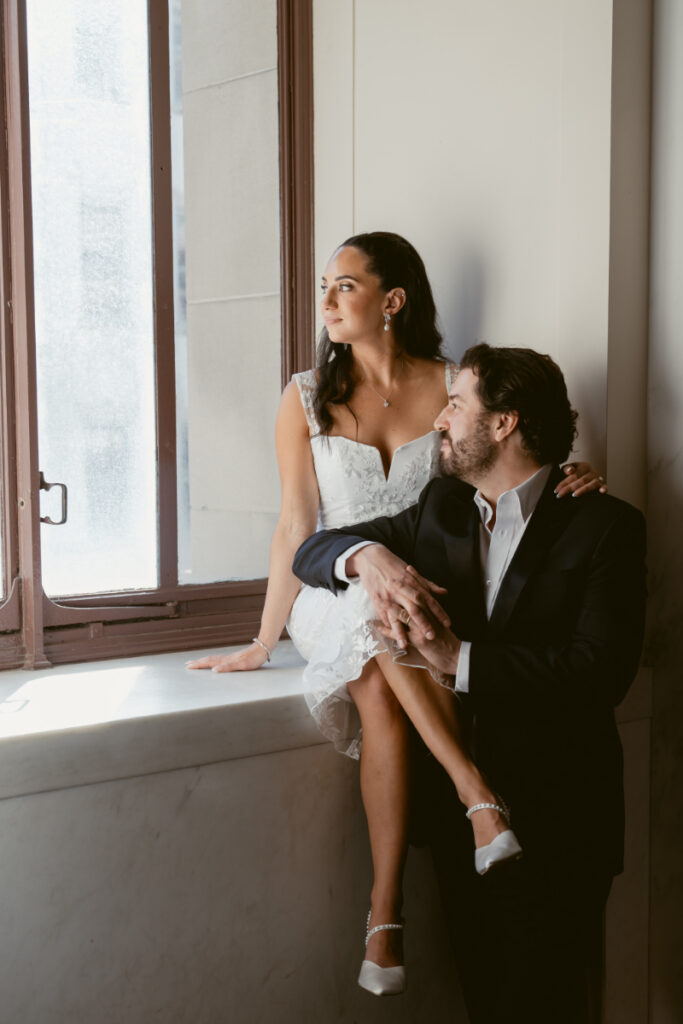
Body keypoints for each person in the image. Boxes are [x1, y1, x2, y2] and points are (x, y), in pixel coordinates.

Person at [186, 233, 604, 998]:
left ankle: (393, 915)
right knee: (373, 632)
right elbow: (295, 525)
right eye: (324, 287)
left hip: (426, 590)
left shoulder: (455, 387)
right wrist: (261, 636)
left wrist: (566, 473)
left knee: (399, 625)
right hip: (340, 582)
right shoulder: (305, 396)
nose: (326, 302)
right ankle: (453, 822)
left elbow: (504, 454)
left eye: (343, 286)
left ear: (392, 299)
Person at [292, 343, 646, 1023]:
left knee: (551, 1007)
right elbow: (314, 550)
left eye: (455, 405)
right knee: (484, 1003)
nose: (439, 422)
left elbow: (599, 674)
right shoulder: (440, 508)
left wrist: (458, 659)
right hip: (457, 830)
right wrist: (368, 557)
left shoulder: (604, 527)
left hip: (561, 822)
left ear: (504, 422)